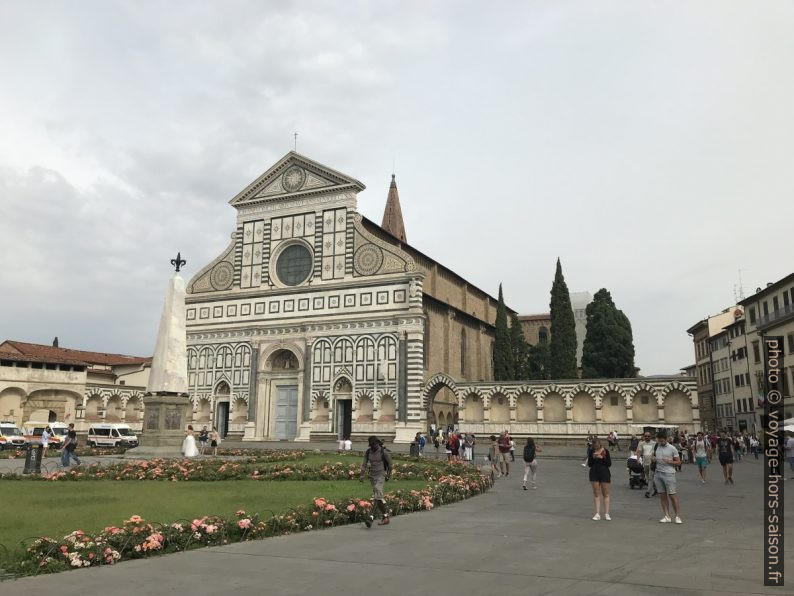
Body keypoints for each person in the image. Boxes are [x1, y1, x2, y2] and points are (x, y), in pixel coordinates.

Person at [361, 436, 393, 527]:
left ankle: (370, 517)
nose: (372, 446)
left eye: (373, 444)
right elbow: (364, 464)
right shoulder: (368, 452)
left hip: (381, 476)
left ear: (378, 443)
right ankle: (385, 517)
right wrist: (362, 474)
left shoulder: (384, 452)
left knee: (377, 496)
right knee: (379, 498)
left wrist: (388, 475)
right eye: (371, 445)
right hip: (372, 476)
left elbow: (390, 465)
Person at [652, 432, 682, 524]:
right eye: (659, 440)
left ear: (666, 439)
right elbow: (653, 455)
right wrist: (652, 458)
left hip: (669, 474)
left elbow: (679, 462)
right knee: (662, 495)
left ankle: (677, 516)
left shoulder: (672, 448)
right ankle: (666, 516)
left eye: (662, 440)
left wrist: (670, 461)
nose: (661, 442)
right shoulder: (657, 446)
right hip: (658, 473)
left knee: (672, 495)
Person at [588, 438, 611, 520]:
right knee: (596, 493)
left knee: (605, 493)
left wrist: (602, 457)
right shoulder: (591, 451)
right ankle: (597, 513)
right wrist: (593, 457)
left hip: (604, 473)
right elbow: (589, 464)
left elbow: (609, 463)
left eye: (597, 445)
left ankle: (607, 513)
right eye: (594, 446)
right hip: (594, 473)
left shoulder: (605, 451)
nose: (595, 447)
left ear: (599, 444)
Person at [636, 431, 657, 497]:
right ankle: (655, 488)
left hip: (652, 462)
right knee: (648, 477)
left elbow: (656, 452)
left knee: (650, 477)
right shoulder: (641, 443)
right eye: (646, 436)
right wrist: (638, 459)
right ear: (644, 436)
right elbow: (639, 452)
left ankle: (648, 491)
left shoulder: (654, 443)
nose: (647, 437)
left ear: (651, 437)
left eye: (648, 436)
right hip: (645, 462)